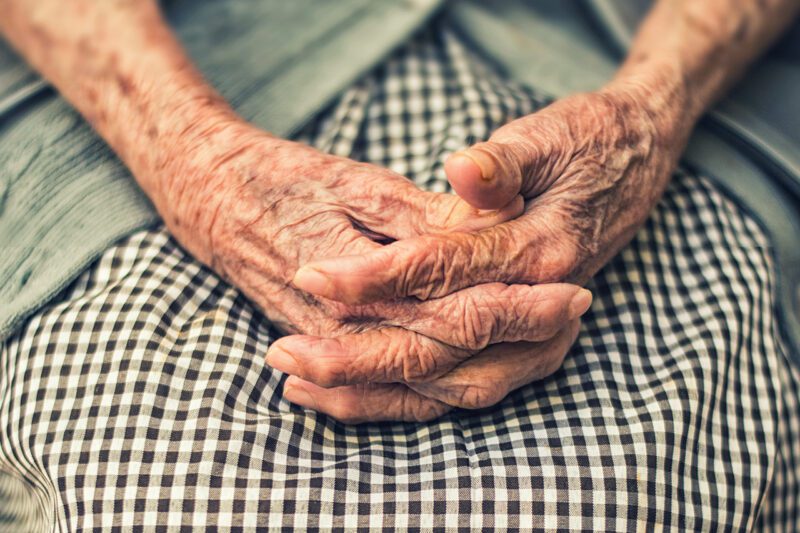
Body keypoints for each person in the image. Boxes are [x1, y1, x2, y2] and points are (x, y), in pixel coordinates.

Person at [0, 0, 798, 529]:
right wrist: (195, 159)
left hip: (630, 57)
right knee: (161, 494)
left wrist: (652, 111)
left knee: (627, 495)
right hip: (157, 78)